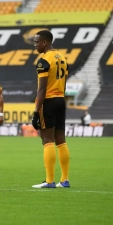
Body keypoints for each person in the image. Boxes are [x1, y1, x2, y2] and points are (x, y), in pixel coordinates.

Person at [31, 30, 70, 189]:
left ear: (44, 42)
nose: (35, 45)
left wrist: (36, 111)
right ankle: (65, 180)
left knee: (47, 140)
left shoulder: (43, 61)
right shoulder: (62, 57)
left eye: (36, 42)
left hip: (48, 101)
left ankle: (49, 181)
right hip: (61, 99)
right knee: (61, 140)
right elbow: (65, 82)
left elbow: (42, 90)